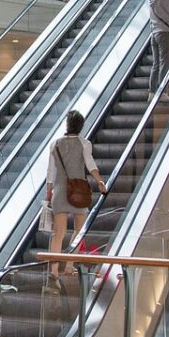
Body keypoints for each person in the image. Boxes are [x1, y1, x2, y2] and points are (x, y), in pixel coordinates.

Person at [47, 110, 107, 272]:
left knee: (58, 234)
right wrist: (100, 181)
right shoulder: (84, 144)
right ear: (81, 126)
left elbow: (50, 173)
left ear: (67, 125)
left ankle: (53, 272)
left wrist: (48, 195)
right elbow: (90, 164)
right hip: (79, 193)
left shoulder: (55, 144)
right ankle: (69, 265)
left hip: (59, 192)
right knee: (79, 231)